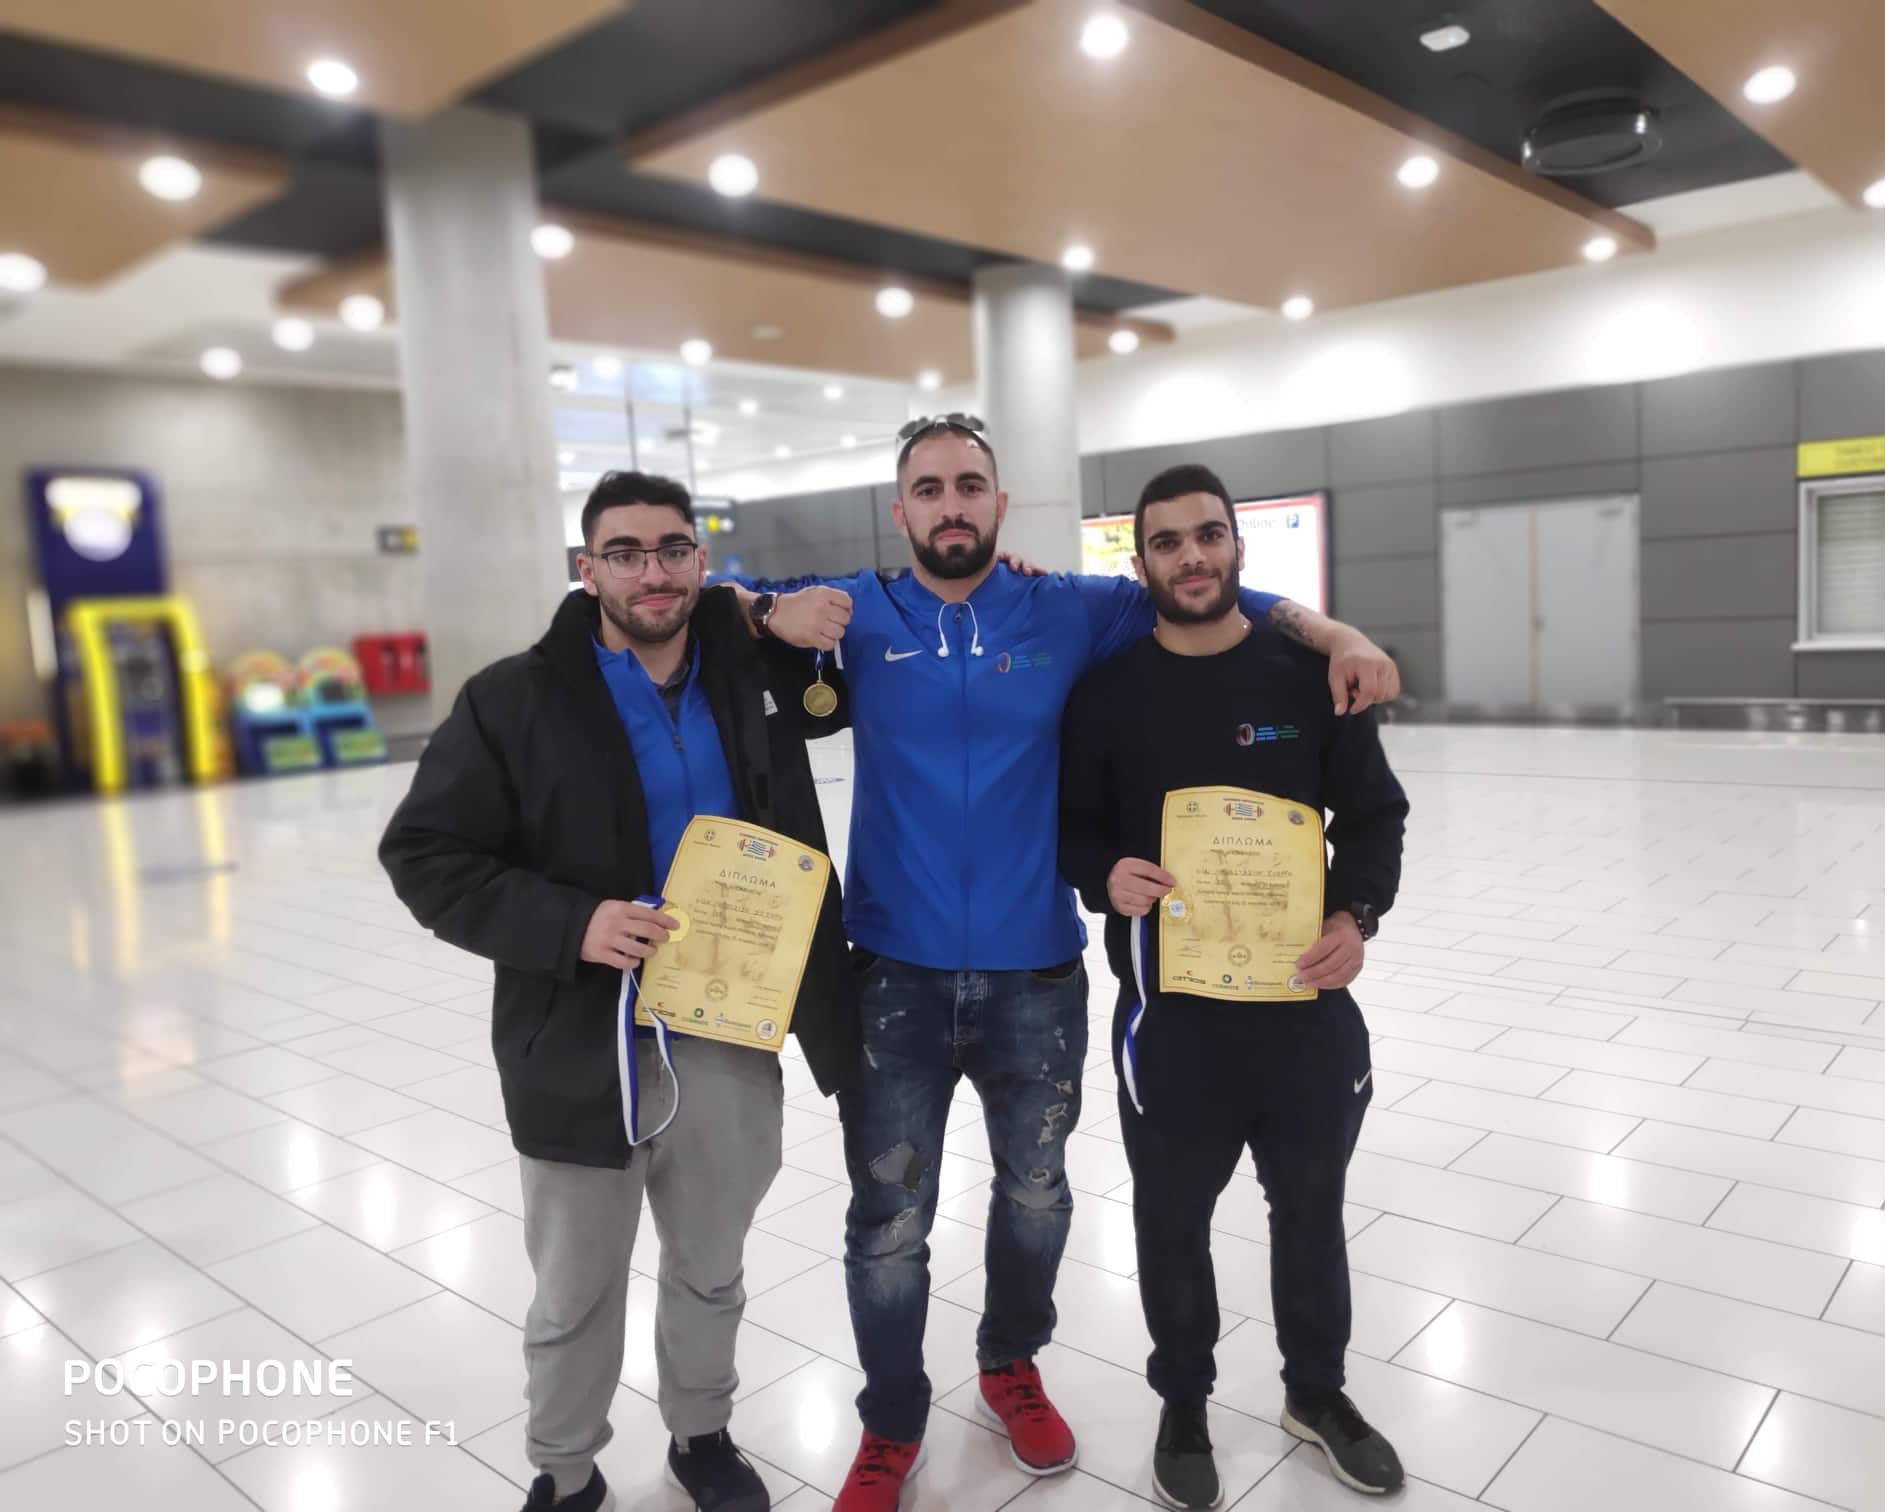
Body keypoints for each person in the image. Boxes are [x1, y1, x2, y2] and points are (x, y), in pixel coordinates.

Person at [735, 418, 1401, 1511]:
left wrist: (1337, 634)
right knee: (889, 1219)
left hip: (1035, 974)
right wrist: (767, 612)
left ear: (1001, 505)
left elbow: (1220, 594)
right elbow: (687, 593)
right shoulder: (854, 612)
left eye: (970, 485)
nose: (951, 504)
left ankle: (1011, 1364)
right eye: (928, 488)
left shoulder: (1073, 608)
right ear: (899, 511)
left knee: (1037, 1195)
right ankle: (891, 1419)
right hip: (893, 973)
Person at [379, 471, 856, 1512]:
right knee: (575, 1286)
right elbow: (424, 854)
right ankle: (563, 1469)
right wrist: (572, 925)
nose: (653, 572)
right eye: (625, 553)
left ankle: (702, 1434)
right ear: (586, 568)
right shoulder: (514, 698)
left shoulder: (751, 676)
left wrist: (761, 611)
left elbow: (886, 630)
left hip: (726, 1024)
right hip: (577, 1037)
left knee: (711, 1261)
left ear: (702, 562)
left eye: (674, 549)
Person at [1057, 463, 1409, 1509]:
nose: (1192, 556)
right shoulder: (1109, 694)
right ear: (1141, 565)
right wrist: (1102, 877)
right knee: (1172, 1222)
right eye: (1167, 542)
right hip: (1173, 1026)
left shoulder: (1310, 679)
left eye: (1208, 534)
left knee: (1311, 1211)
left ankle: (1317, 1393)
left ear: (1238, 548)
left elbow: (1375, 816)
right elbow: (1072, 829)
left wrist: (1355, 916)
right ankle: (1184, 1402)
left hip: (1303, 1013)